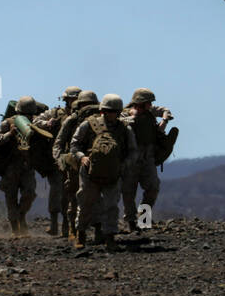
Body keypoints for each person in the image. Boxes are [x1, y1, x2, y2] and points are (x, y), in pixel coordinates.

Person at [71, 94, 136, 252]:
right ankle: (81, 234)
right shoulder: (88, 125)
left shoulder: (124, 129)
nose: (110, 114)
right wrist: (82, 157)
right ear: (102, 111)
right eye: (108, 111)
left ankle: (110, 238)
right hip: (89, 171)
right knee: (85, 203)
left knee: (111, 206)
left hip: (113, 173)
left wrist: (123, 165)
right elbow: (74, 145)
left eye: (114, 111)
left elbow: (133, 151)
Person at [119, 87, 172, 232]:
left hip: (147, 157)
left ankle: (143, 218)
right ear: (140, 103)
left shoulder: (150, 112)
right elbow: (120, 123)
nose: (150, 105)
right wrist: (133, 117)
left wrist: (165, 120)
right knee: (128, 191)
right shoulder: (124, 114)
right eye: (148, 102)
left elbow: (164, 110)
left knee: (153, 187)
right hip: (130, 158)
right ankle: (130, 222)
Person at [33, 86, 81, 237]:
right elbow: (36, 121)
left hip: (75, 159)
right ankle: (54, 225)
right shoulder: (55, 113)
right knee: (57, 193)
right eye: (71, 99)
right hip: (57, 158)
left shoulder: (83, 114)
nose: (73, 101)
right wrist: (47, 124)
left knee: (72, 194)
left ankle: (71, 227)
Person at [53, 90, 98, 242]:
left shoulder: (102, 120)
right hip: (74, 163)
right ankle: (72, 228)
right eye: (86, 105)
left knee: (98, 197)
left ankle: (98, 231)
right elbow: (59, 143)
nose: (88, 108)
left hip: (95, 163)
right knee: (73, 197)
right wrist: (61, 161)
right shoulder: (72, 120)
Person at [0, 96, 38, 235]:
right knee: (11, 197)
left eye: (29, 114)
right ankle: (15, 228)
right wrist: (9, 134)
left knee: (29, 193)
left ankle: (21, 216)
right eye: (24, 114)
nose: (27, 117)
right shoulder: (8, 123)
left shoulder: (36, 122)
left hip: (27, 166)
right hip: (10, 166)